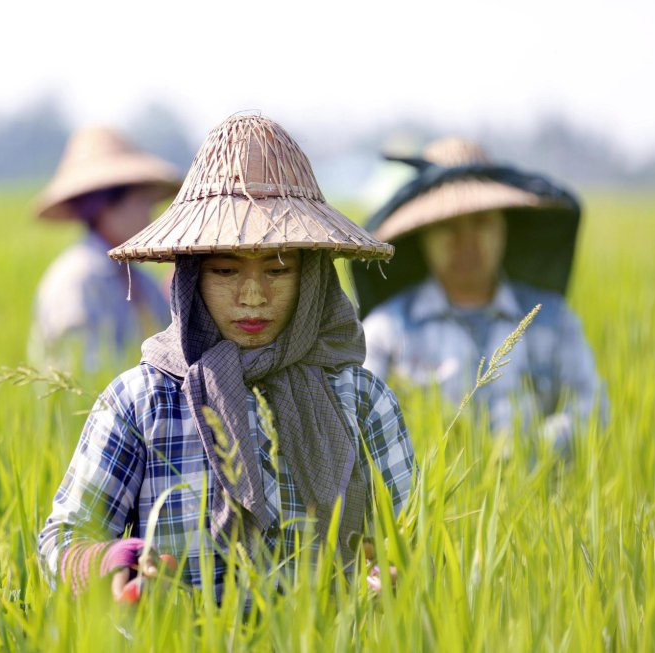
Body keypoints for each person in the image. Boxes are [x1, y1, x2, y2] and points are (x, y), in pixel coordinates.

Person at [38, 114, 417, 602]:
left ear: (313, 276)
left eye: (278, 269)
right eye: (224, 270)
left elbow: (414, 540)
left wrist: (394, 579)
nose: (252, 296)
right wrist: (113, 568)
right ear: (192, 278)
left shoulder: (361, 400)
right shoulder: (143, 402)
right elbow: (64, 539)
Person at [354, 137, 607, 453]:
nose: (466, 242)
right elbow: (360, 426)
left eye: (481, 222)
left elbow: (592, 408)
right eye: (447, 226)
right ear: (422, 237)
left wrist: (529, 456)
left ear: (504, 228)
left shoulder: (553, 320)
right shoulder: (386, 330)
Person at [28, 127, 181, 371]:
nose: (149, 215)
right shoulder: (77, 282)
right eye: (141, 202)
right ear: (105, 205)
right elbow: (83, 378)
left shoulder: (141, 280)